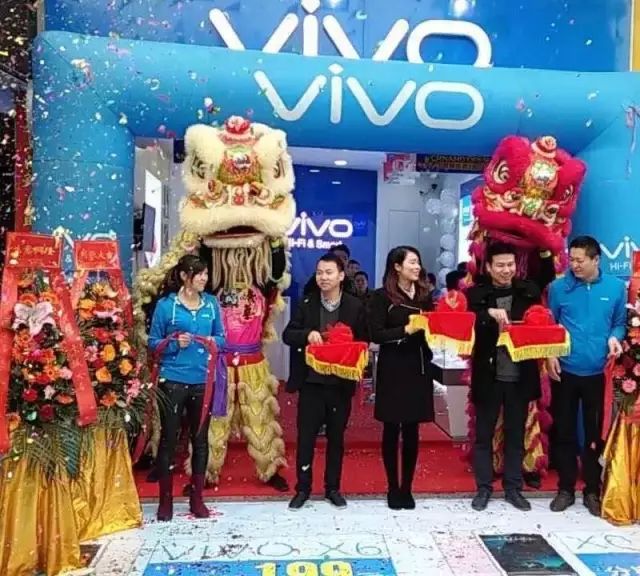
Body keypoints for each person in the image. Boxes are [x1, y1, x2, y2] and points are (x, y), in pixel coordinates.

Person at [546, 235, 626, 516]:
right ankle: (565, 489)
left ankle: (592, 489)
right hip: (565, 371)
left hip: (598, 373)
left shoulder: (615, 288)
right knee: (565, 431)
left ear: (596, 260)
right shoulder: (558, 288)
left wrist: (615, 338)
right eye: (572, 260)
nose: (575, 265)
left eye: (580, 260)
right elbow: (549, 325)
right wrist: (550, 355)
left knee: (594, 434)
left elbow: (619, 323)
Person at [283, 253, 368, 510]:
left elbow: (364, 340)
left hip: (340, 384)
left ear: (341, 275)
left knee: (336, 438)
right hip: (311, 382)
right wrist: (307, 334)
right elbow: (288, 334)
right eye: (319, 272)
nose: (323, 277)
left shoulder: (355, 306)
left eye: (329, 272)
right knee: (306, 438)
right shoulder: (307, 303)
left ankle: (333, 488)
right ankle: (303, 489)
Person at [148, 255, 226, 521]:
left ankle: (197, 499)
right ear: (184, 276)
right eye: (199, 273)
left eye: (206, 274)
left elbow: (222, 338)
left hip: (203, 380)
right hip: (172, 380)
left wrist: (211, 341)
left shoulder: (211, 304)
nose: (204, 278)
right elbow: (153, 343)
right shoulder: (166, 306)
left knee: (200, 440)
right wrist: (173, 344)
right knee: (169, 439)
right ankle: (165, 500)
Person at [467, 242, 543, 512]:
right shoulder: (476, 295)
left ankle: (513, 488)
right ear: (488, 267)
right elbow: (466, 319)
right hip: (488, 376)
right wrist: (487, 314)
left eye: (510, 264)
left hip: (519, 376)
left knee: (515, 436)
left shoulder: (528, 292)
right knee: (483, 436)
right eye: (500, 265)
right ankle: (483, 488)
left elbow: (540, 321)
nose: (506, 270)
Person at [369, 246, 434, 510]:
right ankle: (392, 487)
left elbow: (433, 328)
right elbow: (376, 334)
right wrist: (405, 329)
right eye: (412, 262)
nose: (417, 267)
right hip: (393, 367)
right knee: (391, 428)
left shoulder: (424, 295)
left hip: (418, 367)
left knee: (412, 430)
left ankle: (407, 487)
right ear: (397, 267)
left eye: (418, 262)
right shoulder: (381, 297)